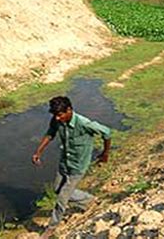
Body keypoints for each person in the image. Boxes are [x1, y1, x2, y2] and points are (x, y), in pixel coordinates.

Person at [32, 96, 112, 238]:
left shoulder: (84, 123)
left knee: (62, 198)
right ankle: (89, 201)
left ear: (69, 110)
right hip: (65, 162)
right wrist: (38, 152)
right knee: (57, 189)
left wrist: (105, 154)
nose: (57, 118)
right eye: (55, 115)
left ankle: (51, 228)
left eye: (60, 114)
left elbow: (107, 132)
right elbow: (50, 134)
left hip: (78, 166)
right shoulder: (58, 120)